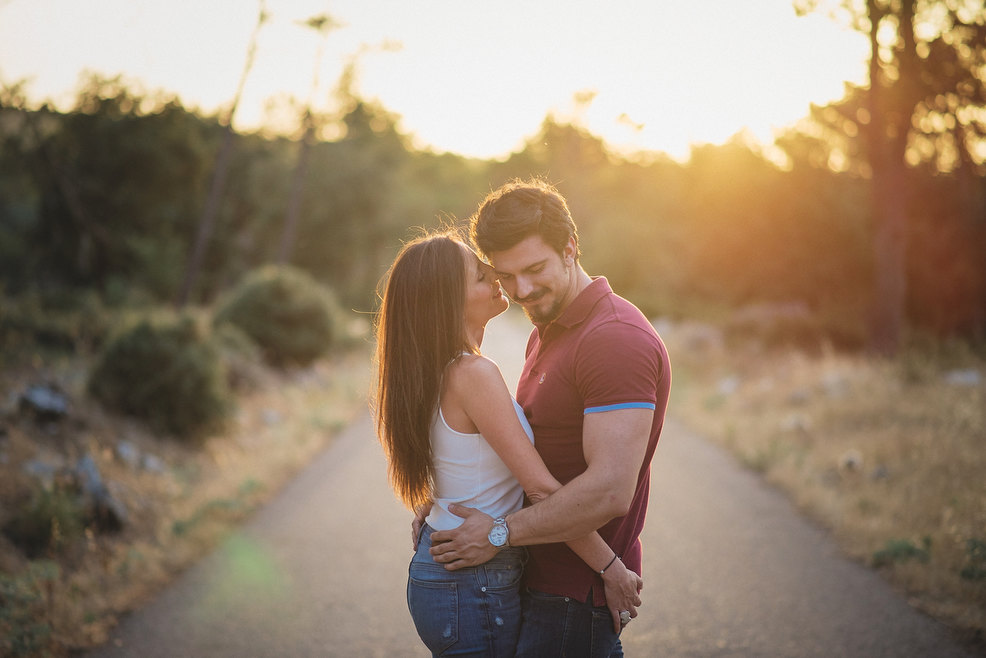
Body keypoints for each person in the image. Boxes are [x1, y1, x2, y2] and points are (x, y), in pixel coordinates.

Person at [427, 179, 672, 658]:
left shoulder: (614, 339)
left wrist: (498, 532)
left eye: (535, 269)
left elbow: (608, 491)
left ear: (570, 248)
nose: (522, 290)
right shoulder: (549, 329)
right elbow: (530, 453)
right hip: (534, 579)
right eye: (506, 276)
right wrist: (449, 498)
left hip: (572, 594)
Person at [373, 230, 643, 657]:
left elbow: (456, 457)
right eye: (482, 276)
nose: (498, 280)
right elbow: (540, 489)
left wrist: (439, 502)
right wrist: (611, 567)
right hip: (471, 582)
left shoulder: (435, 369)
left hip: (456, 577)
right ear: (449, 301)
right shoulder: (473, 374)